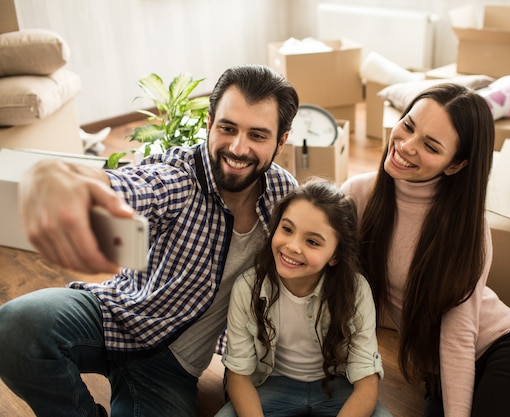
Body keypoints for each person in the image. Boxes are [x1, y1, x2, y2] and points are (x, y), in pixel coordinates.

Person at [0, 64, 300, 417]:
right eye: (227, 128)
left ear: (281, 140)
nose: (238, 147)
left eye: (257, 136)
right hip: (114, 315)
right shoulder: (179, 175)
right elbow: (140, 185)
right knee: (14, 328)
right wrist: (86, 186)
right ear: (208, 123)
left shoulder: (284, 197)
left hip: (171, 369)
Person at [341, 83, 510, 417]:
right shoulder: (358, 194)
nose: (406, 146)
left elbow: (458, 335)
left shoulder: (470, 228)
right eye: (408, 125)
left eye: (431, 146)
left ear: (455, 165)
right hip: (436, 369)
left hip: (502, 347)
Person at [215, 179, 392, 417]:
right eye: (287, 229)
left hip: (337, 385)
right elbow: (239, 375)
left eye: (312, 242)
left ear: (335, 256)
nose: (292, 247)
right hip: (272, 383)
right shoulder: (248, 287)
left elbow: (366, 381)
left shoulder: (356, 290)